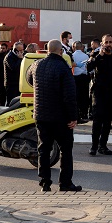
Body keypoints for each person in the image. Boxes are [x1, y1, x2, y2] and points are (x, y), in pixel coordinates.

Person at [27, 39, 80, 192]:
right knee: (65, 149)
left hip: (41, 114)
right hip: (60, 117)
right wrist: (73, 117)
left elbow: (30, 79)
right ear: (60, 51)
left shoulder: (36, 65)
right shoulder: (63, 68)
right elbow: (70, 96)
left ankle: (45, 182)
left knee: (43, 148)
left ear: (47, 50)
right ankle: (65, 183)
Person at [71, 41, 90, 123]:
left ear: (74, 47)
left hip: (75, 77)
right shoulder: (86, 56)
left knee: (76, 96)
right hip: (84, 77)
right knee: (84, 95)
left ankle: (77, 113)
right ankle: (84, 113)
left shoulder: (72, 56)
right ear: (82, 47)